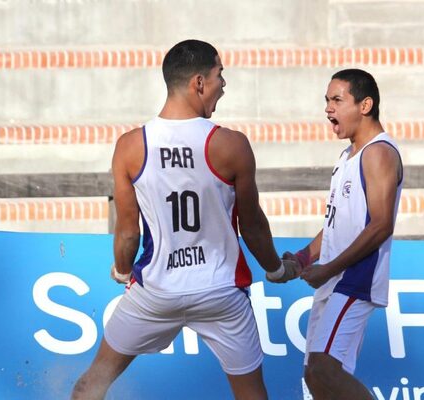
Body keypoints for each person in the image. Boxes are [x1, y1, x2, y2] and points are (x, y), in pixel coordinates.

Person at [71, 39, 300, 400]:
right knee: (253, 396)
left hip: (157, 291)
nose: (223, 84)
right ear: (199, 83)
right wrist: (275, 270)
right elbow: (252, 226)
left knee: (90, 386)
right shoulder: (231, 144)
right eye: (219, 75)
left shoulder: (130, 145)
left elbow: (128, 230)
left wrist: (120, 269)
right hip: (219, 291)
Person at [284, 69, 403, 399]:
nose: (328, 109)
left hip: (354, 280)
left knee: (322, 370)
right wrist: (304, 257)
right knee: (316, 380)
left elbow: (381, 225)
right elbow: (336, 224)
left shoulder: (378, 152)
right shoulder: (347, 156)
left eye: (337, 100)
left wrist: (330, 268)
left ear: (365, 105)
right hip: (334, 280)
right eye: (326, 100)